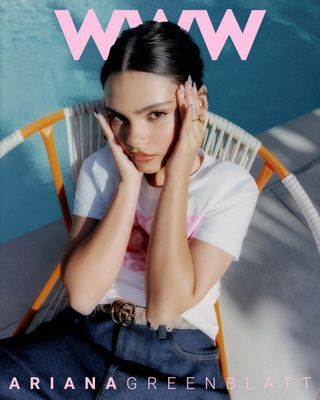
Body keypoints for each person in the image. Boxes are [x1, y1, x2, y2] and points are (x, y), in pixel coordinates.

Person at [0, 21, 258, 399]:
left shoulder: (230, 188)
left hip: (173, 358)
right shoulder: (102, 169)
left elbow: (164, 307)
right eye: (119, 117)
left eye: (155, 114)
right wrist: (128, 185)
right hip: (83, 338)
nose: (134, 139)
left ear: (196, 105)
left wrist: (176, 179)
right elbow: (84, 296)